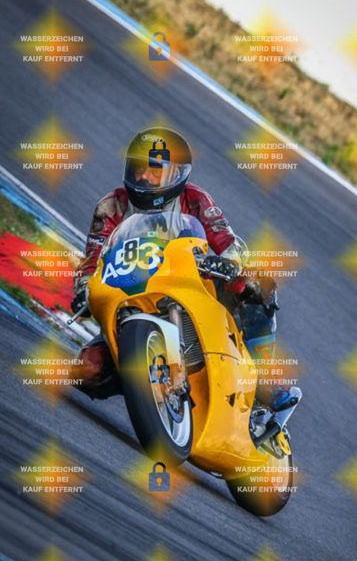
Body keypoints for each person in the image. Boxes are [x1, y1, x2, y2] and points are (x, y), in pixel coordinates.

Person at [71, 127, 292, 413]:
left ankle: (263, 377)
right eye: (137, 169)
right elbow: (91, 260)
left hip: (190, 287)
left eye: (154, 171)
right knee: (86, 369)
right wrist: (83, 291)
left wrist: (229, 263)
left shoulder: (195, 199)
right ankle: (143, 385)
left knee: (258, 283)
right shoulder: (111, 206)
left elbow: (230, 243)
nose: (143, 177)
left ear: (176, 174)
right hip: (130, 298)